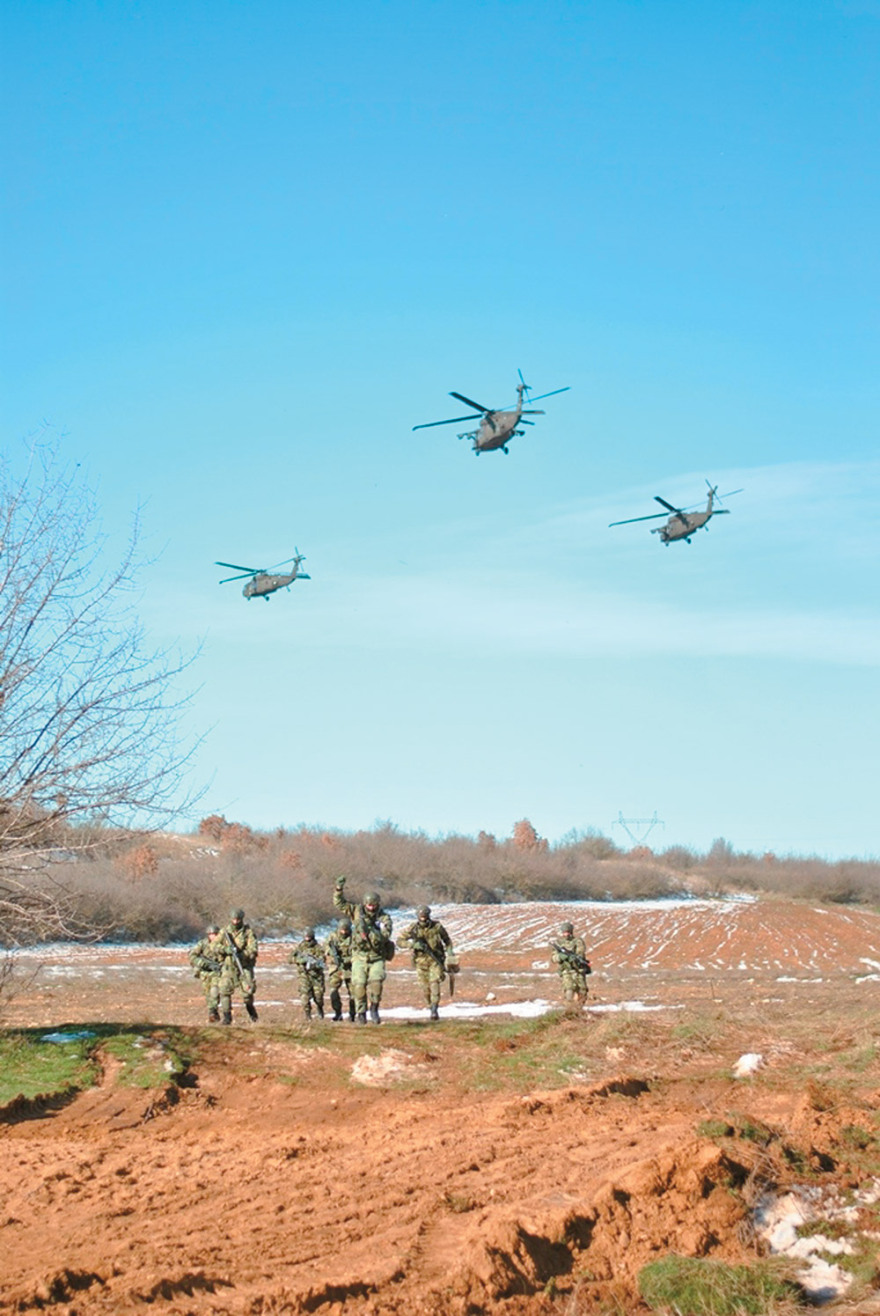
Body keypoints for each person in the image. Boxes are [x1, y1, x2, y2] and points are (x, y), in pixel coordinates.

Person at [333, 875, 394, 1024]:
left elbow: (386, 935)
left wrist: (371, 932)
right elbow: (339, 904)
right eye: (369, 905)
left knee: (376, 982)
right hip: (359, 956)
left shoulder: (384, 917)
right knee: (358, 985)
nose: (371, 907)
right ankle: (361, 1012)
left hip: (376, 956)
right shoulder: (356, 912)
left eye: (374, 905)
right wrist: (338, 889)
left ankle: (374, 1007)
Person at [397, 904, 453, 1021]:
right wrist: (412, 944)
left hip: (435, 960)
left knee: (434, 984)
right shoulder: (413, 928)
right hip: (420, 962)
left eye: (425, 916)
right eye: (421, 916)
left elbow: (447, 940)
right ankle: (429, 1005)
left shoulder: (437, 927)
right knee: (425, 988)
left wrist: (450, 954)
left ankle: (434, 1009)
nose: (423, 918)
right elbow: (399, 941)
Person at [217, 908, 259, 1024]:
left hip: (244, 967)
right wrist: (226, 949)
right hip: (229, 967)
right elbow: (214, 946)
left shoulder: (248, 932)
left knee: (248, 993)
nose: (235, 922)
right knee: (224, 991)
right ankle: (227, 1017)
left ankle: (252, 1014)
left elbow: (253, 949)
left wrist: (241, 954)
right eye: (233, 919)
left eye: (238, 920)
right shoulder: (224, 932)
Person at [289, 927, 327, 1020]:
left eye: (308, 937)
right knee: (304, 997)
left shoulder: (318, 948)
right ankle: (308, 1016)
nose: (307, 938)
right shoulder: (300, 947)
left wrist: (314, 963)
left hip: (316, 976)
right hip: (304, 976)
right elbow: (290, 959)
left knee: (318, 997)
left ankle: (320, 1010)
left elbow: (322, 962)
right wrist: (300, 960)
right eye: (305, 937)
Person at [189, 923, 224, 1022]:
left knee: (214, 992)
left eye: (215, 934)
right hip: (205, 973)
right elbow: (192, 956)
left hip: (216, 973)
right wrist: (204, 964)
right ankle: (213, 1012)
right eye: (211, 934)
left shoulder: (222, 945)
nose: (213, 936)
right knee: (208, 994)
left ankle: (213, 1011)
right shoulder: (202, 944)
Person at [551, 922, 592, 1006]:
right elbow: (553, 958)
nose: (566, 934)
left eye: (567, 932)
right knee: (569, 991)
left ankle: (579, 1010)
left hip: (578, 970)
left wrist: (574, 958)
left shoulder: (578, 941)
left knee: (582, 992)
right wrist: (560, 957)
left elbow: (580, 953)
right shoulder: (559, 943)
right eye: (564, 932)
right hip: (566, 971)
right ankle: (569, 1011)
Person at [325, 918, 354, 1021]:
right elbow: (326, 947)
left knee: (353, 993)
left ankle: (352, 1014)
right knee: (333, 991)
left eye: (346, 930)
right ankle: (338, 1013)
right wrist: (331, 952)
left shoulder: (354, 938)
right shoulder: (333, 936)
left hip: (350, 968)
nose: (343, 932)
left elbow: (357, 952)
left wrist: (347, 960)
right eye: (342, 930)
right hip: (336, 968)